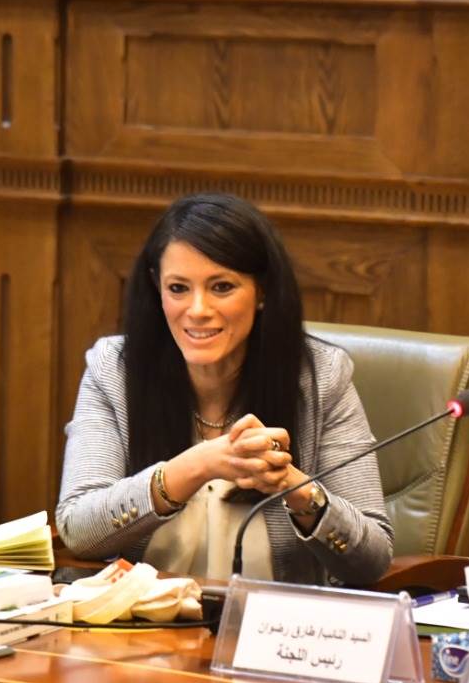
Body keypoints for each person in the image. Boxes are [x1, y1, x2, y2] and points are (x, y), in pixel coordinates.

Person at [56, 193, 392, 586]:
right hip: (142, 618)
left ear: (262, 291)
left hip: (271, 621)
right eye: (178, 288)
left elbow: (373, 559)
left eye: (221, 287)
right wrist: (199, 465)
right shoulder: (115, 370)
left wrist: (294, 488)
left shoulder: (320, 377)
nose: (198, 309)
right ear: (156, 288)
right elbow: (78, 529)